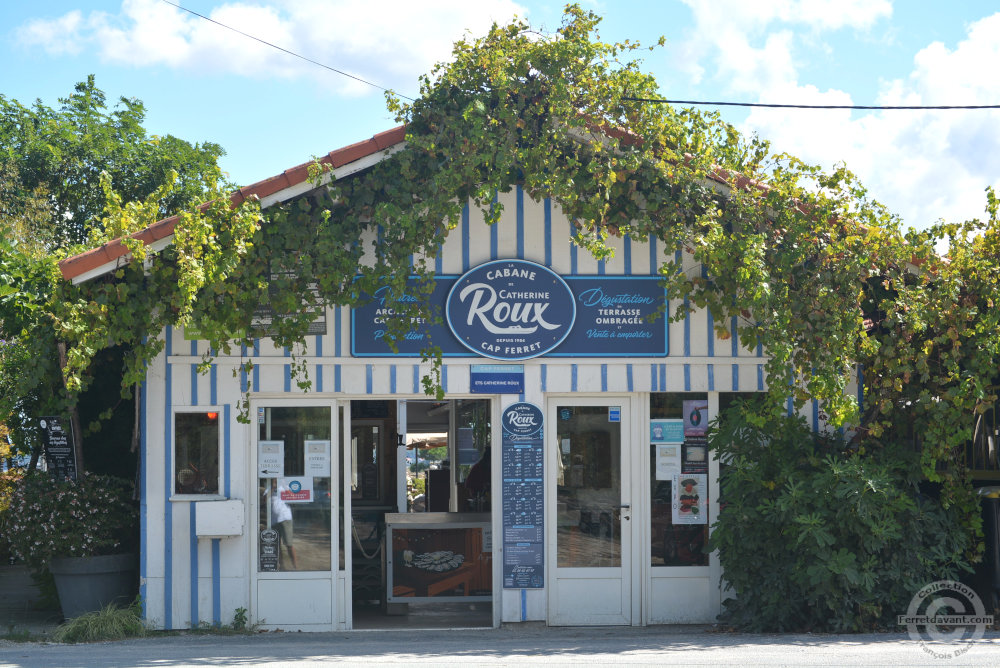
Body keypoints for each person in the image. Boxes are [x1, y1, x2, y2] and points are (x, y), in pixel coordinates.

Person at [271, 481, 299, 569]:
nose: (274, 480)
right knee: (277, 545)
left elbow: (293, 497)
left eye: (276, 478)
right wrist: (272, 488)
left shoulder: (285, 486)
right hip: (273, 520)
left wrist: (284, 486)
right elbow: (264, 500)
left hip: (285, 518)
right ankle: (281, 566)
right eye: (273, 478)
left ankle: (295, 567)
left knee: (289, 544)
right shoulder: (269, 488)